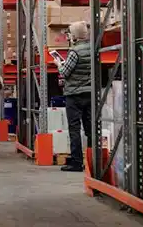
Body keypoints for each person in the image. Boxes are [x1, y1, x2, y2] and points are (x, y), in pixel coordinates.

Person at [55, 21, 92, 172]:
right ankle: (92, 160)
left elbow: (65, 72)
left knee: (74, 128)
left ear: (75, 35)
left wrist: (59, 64)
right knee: (91, 128)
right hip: (89, 93)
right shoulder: (92, 48)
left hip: (74, 95)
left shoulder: (74, 51)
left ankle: (76, 162)